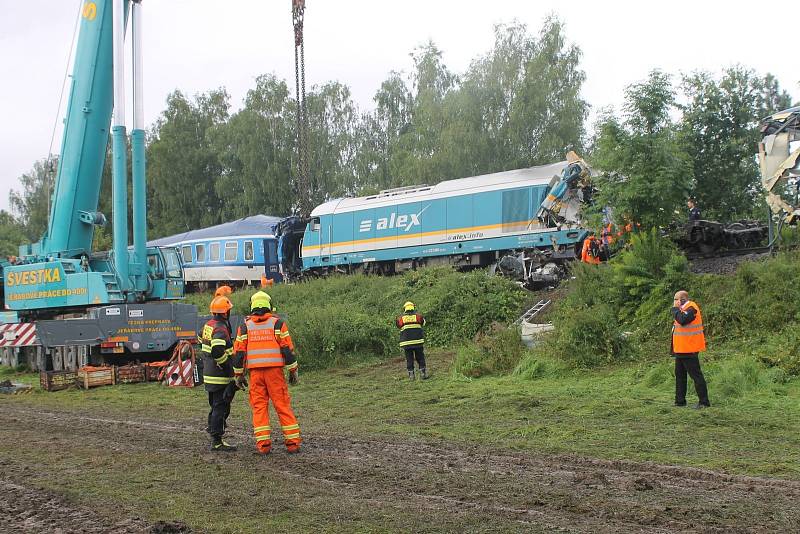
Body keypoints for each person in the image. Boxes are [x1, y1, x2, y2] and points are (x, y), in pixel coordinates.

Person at [234, 291, 301, 455]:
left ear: (252, 307)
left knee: (259, 409)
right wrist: (293, 370)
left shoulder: (244, 327)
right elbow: (287, 349)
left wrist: (239, 375)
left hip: (255, 375)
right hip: (275, 374)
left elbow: (239, 354)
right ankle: (292, 444)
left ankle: (263, 446)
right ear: (269, 306)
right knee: (283, 406)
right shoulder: (278, 324)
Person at [200, 295, 240, 451]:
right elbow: (217, 350)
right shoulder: (221, 329)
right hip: (219, 377)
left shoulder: (208, 325)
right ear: (225, 313)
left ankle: (212, 430)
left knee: (215, 406)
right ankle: (217, 441)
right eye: (229, 310)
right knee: (221, 407)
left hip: (209, 375)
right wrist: (227, 367)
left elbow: (200, 337)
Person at [671, 290, 710, 409]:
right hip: (681, 350)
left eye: (675, 299)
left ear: (681, 299)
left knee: (696, 376)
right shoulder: (683, 309)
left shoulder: (692, 308)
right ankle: (680, 401)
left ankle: (704, 402)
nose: (674, 302)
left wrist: (675, 309)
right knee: (680, 376)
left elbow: (682, 320)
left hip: (689, 349)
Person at [396, 301, 428, 380]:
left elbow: (398, 326)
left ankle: (411, 375)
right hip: (418, 342)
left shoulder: (401, 318)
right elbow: (424, 323)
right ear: (413, 307)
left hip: (406, 343)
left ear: (405, 309)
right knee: (420, 357)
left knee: (409, 359)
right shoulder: (418, 316)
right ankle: (423, 373)